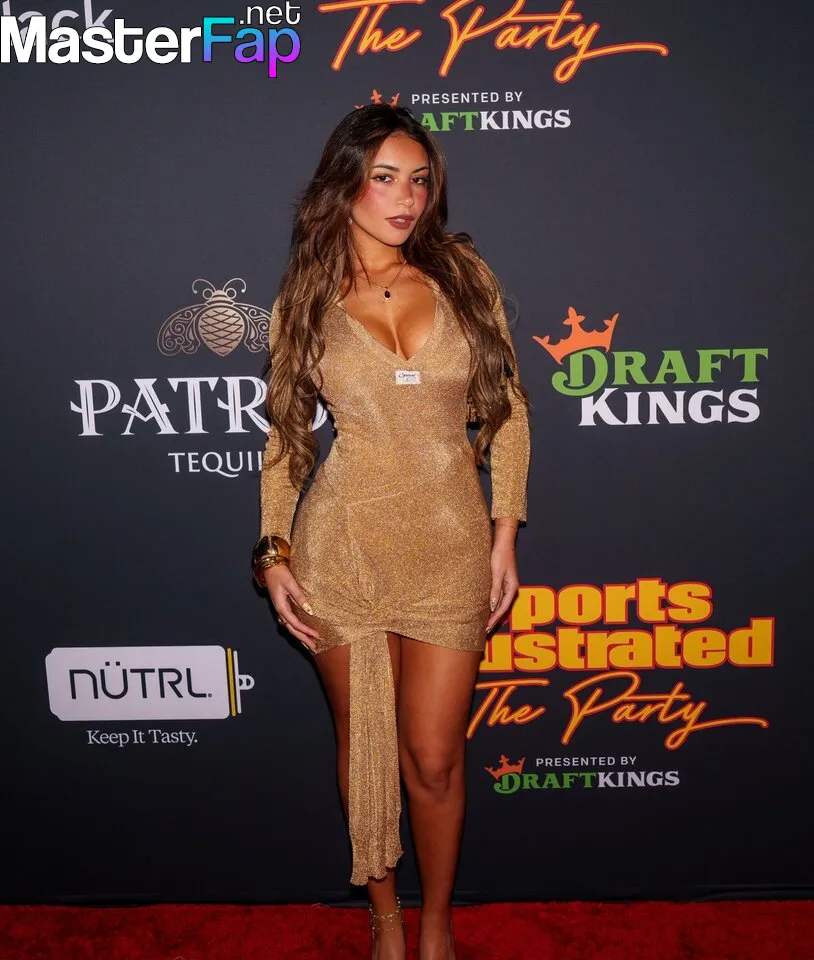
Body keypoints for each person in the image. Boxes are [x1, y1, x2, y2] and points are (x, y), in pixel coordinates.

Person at [251, 102, 531, 960]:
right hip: (343, 548)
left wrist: (505, 534)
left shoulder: (463, 278)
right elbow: (286, 442)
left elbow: (509, 413)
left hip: (450, 545)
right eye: (384, 179)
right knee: (366, 747)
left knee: (434, 757)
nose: (406, 199)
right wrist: (273, 552)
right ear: (344, 185)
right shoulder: (305, 300)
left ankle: (437, 922)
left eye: (419, 181)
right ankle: (384, 921)